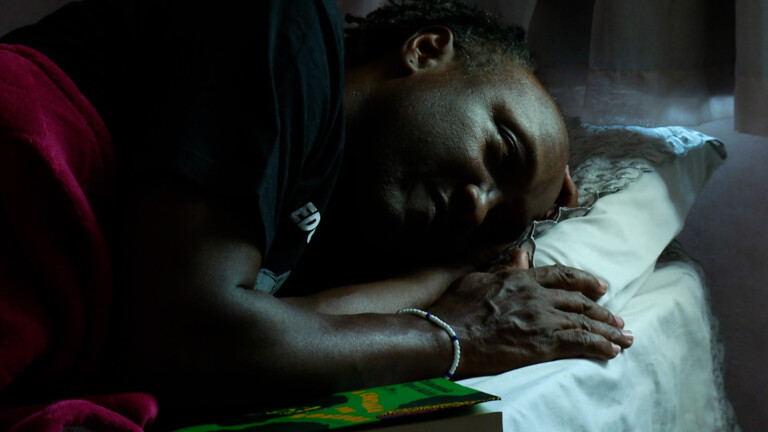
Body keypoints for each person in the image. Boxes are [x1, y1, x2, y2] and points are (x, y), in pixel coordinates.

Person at [0, 0, 633, 427]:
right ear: (426, 49)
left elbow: (273, 336)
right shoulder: (285, 24)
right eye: (502, 151)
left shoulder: (318, 218)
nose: (476, 206)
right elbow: (187, 336)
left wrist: (458, 272)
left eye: (493, 224)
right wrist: (459, 334)